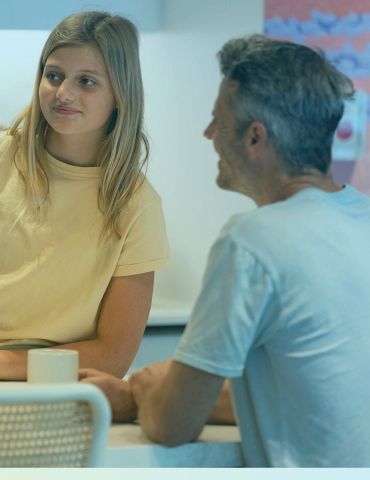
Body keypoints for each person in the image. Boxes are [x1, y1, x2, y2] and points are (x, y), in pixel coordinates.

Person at [81, 35, 370, 467]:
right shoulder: (360, 219)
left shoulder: (253, 240)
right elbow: (312, 385)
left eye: (218, 120)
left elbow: (171, 424)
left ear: (255, 138)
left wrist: (146, 393)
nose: (209, 133)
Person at [0, 11, 170, 383]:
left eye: (87, 81)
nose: (64, 93)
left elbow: (113, 355)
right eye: (53, 76)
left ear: (120, 95)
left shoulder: (137, 205)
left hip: (54, 389)